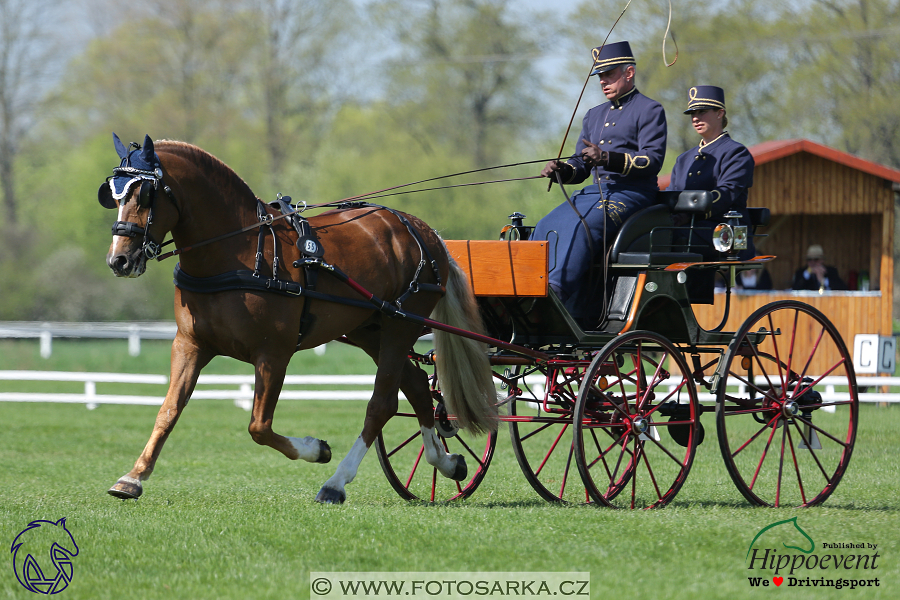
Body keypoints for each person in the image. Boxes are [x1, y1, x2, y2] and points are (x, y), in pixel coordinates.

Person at [534, 41, 667, 322]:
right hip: (594, 192)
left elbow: (652, 160)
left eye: (609, 74)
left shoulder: (649, 110)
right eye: (600, 76)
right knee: (547, 223)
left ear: (629, 73)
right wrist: (562, 169)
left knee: (585, 225)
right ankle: (528, 288)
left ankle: (555, 292)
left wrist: (607, 157)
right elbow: (580, 164)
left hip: (633, 193)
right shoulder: (594, 115)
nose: (603, 81)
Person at [666, 85, 756, 259]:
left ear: (720, 113)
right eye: (692, 114)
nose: (695, 118)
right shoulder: (684, 159)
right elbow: (671, 195)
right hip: (690, 228)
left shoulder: (736, 153)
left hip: (723, 231)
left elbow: (726, 194)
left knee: (673, 238)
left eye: (702, 112)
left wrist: (687, 214)